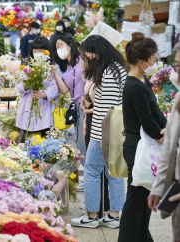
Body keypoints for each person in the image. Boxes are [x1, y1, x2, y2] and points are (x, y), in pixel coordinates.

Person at [71, 35, 127, 229]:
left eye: (88, 52)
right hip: (115, 127)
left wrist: (104, 136)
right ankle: (114, 216)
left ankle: (92, 215)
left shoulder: (108, 72)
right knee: (115, 173)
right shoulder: (117, 68)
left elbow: (108, 107)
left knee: (92, 171)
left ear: (97, 51)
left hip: (104, 130)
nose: (86, 56)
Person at [118, 32, 167, 242]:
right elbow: (146, 120)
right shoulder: (134, 86)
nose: (156, 61)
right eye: (154, 58)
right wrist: (160, 134)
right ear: (142, 62)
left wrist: (166, 128)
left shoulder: (141, 80)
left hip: (143, 146)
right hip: (138, 148)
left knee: (143, 201)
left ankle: (142, 237)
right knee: (135, 201)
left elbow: (154, 113)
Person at [148, 44, 180, 242]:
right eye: (176, 64)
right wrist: (159, 188)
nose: (174, 71)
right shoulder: (178, 99)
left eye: (176, 65)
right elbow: (169, 148)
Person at [16, 36, 60, 141]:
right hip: (28, 106)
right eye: (35, 51)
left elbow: (55, 87)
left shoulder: (53, 68)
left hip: (44, 107)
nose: (38, 54)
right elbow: (19, 88)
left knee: (44, 137)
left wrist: (44, 94)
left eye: (41, 51)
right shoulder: (27, 68)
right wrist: (28, 81)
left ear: (47, 52)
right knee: (27, 137)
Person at [51, 36, 86, 167]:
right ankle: (90, 176)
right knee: (80, 144)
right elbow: (65, 90)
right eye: (57, 48)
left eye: (61, 46)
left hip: (86, 107)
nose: (59, 49)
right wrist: (56, 74)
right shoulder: (66, 67)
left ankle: (92, 177)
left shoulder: (82, 61)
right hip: (76, 108)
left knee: (85, 143)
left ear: (70, 45)